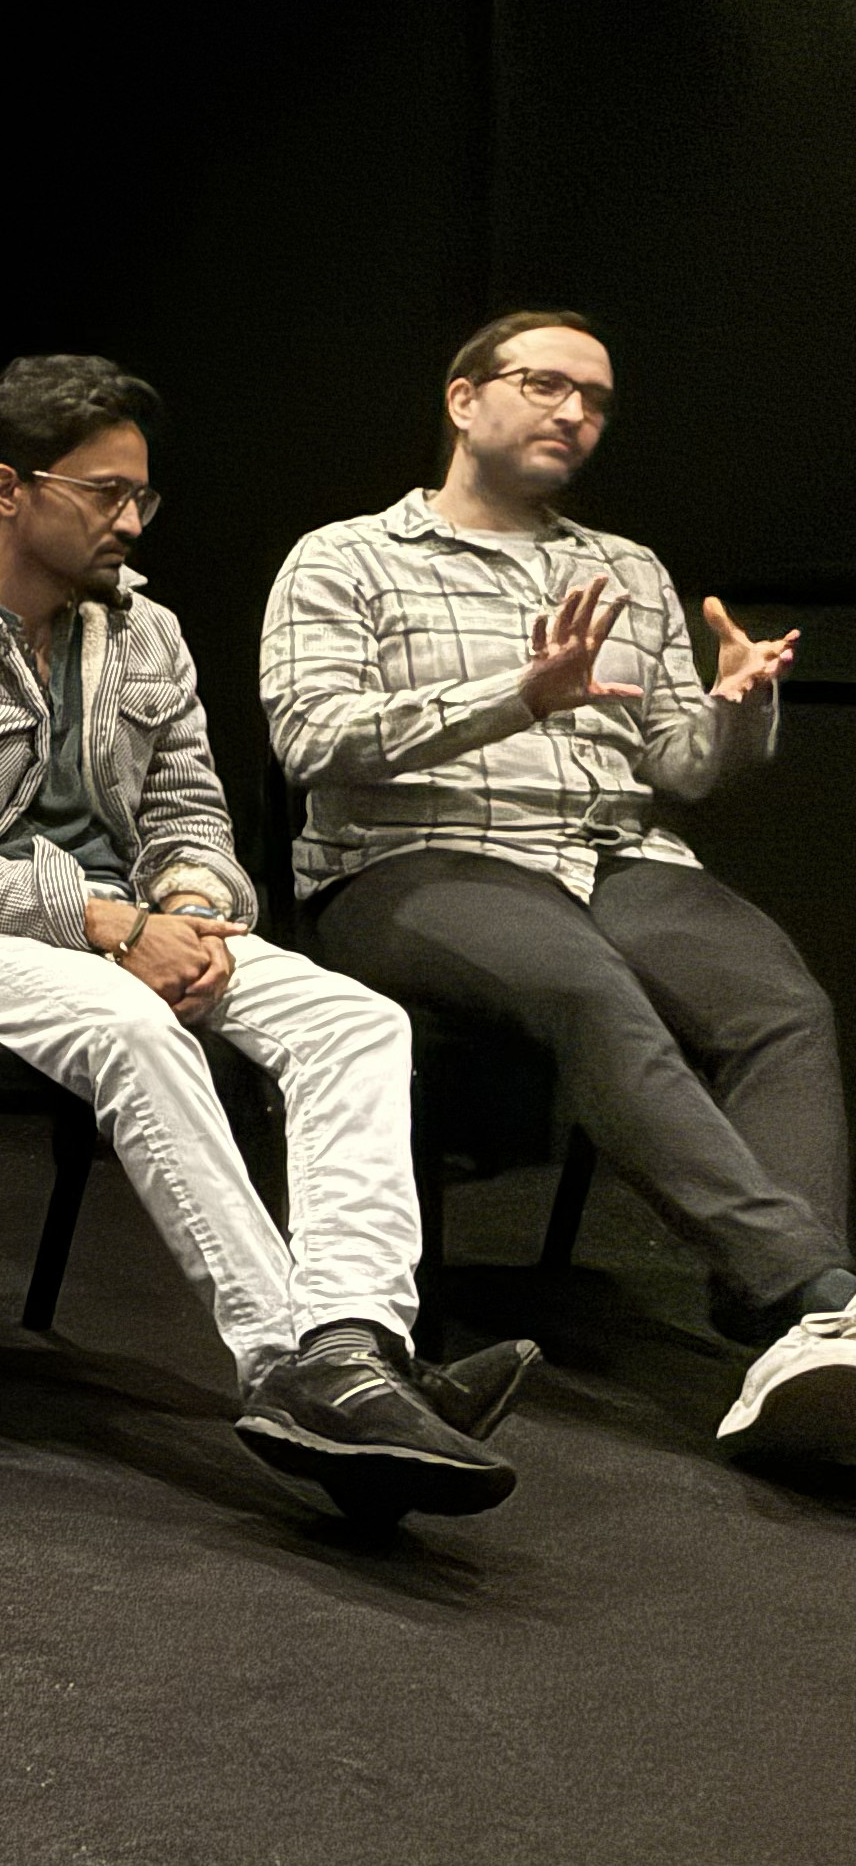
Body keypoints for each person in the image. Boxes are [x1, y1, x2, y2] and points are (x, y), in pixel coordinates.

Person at [0, 354, 538, 1521]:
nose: (132, 519)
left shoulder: (147, 634)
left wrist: (188, 904)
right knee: (129, 1021)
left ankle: (354, 1341)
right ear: (9, 489)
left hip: (126, 925)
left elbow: (192, 811)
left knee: (355, 1019)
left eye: (143, 496)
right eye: (105, 494)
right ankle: (285, 1364)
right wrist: (115, 925)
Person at [261, 311, 847, 1461]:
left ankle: (791, 1329)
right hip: (418, 863)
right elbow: (310, 737)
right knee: (591, 992)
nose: (575, 413)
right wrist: (514, 698)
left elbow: (679, 765)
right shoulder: (345, 558)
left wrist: (737, 711)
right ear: (465, 399)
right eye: (547, 385)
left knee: (783, 1006)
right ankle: (813, 1294)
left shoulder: (623, 566)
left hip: (615, 858)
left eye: (596, 400)